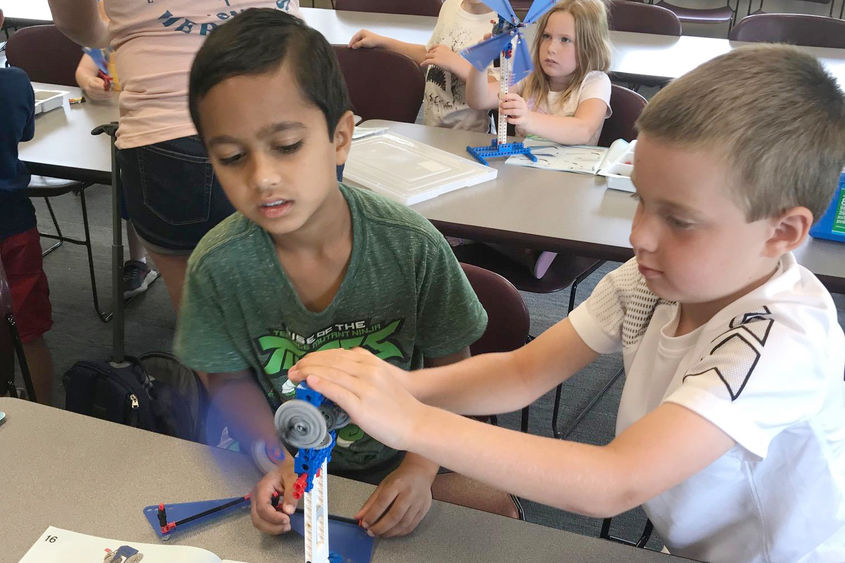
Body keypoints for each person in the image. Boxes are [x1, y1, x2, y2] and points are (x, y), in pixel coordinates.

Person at [289, 45, 845, 563]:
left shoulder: (779, 340)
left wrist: (409, 421)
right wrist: (400, 385)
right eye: (642, 201)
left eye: (678, 219)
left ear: (782, 232)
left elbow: (613, 481)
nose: (640, 237)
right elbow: (523, 370)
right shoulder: (655, 279)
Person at [174, 9, 491, 539]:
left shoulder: (410, 248)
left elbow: (452, 374)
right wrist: (270, 454)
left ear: (340, 138)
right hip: (283, 470)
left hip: (401, 460)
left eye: (288, 146)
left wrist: (420, 467)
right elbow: (225, 379)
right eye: (232, 157)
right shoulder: (218, 265)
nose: (263, 177)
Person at [48, 0, 302, 309]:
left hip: (170, 126)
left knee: (202, 316)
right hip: (291, 114)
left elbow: (75, 21)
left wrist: (117, 28)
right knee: (291, 308)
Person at [467, 0, 612, 278]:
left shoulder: (594, 82)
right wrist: (480, 63)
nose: (551, 47)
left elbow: (583, 129)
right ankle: (522, 244)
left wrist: (528, 118)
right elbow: (478, 99)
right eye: (546, 36)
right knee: (481, 205)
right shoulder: (531, 76)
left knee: (526, 216)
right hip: (523, 177)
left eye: (566, 40)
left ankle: (536, 245)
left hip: (570, 186)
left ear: (590, 46)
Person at [74, 4, 160, 299]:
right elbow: (83, 71)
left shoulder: (153, 41)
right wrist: (89, 82)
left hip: (157, 128)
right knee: (132, 199)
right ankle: (138, 262)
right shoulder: (103, 46)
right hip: (120, 131)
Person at [0, 18, 57, 405]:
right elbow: (24, 133)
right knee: (28, 333)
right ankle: (45, 415)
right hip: (12, 225)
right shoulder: (15, 82)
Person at [348, 0, 496, 131]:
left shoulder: (503, 27)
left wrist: (457, 64)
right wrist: (383, 41)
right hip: (431, 131)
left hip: (466, 136)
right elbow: (432, 55)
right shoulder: (450, 6)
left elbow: (501, 90)